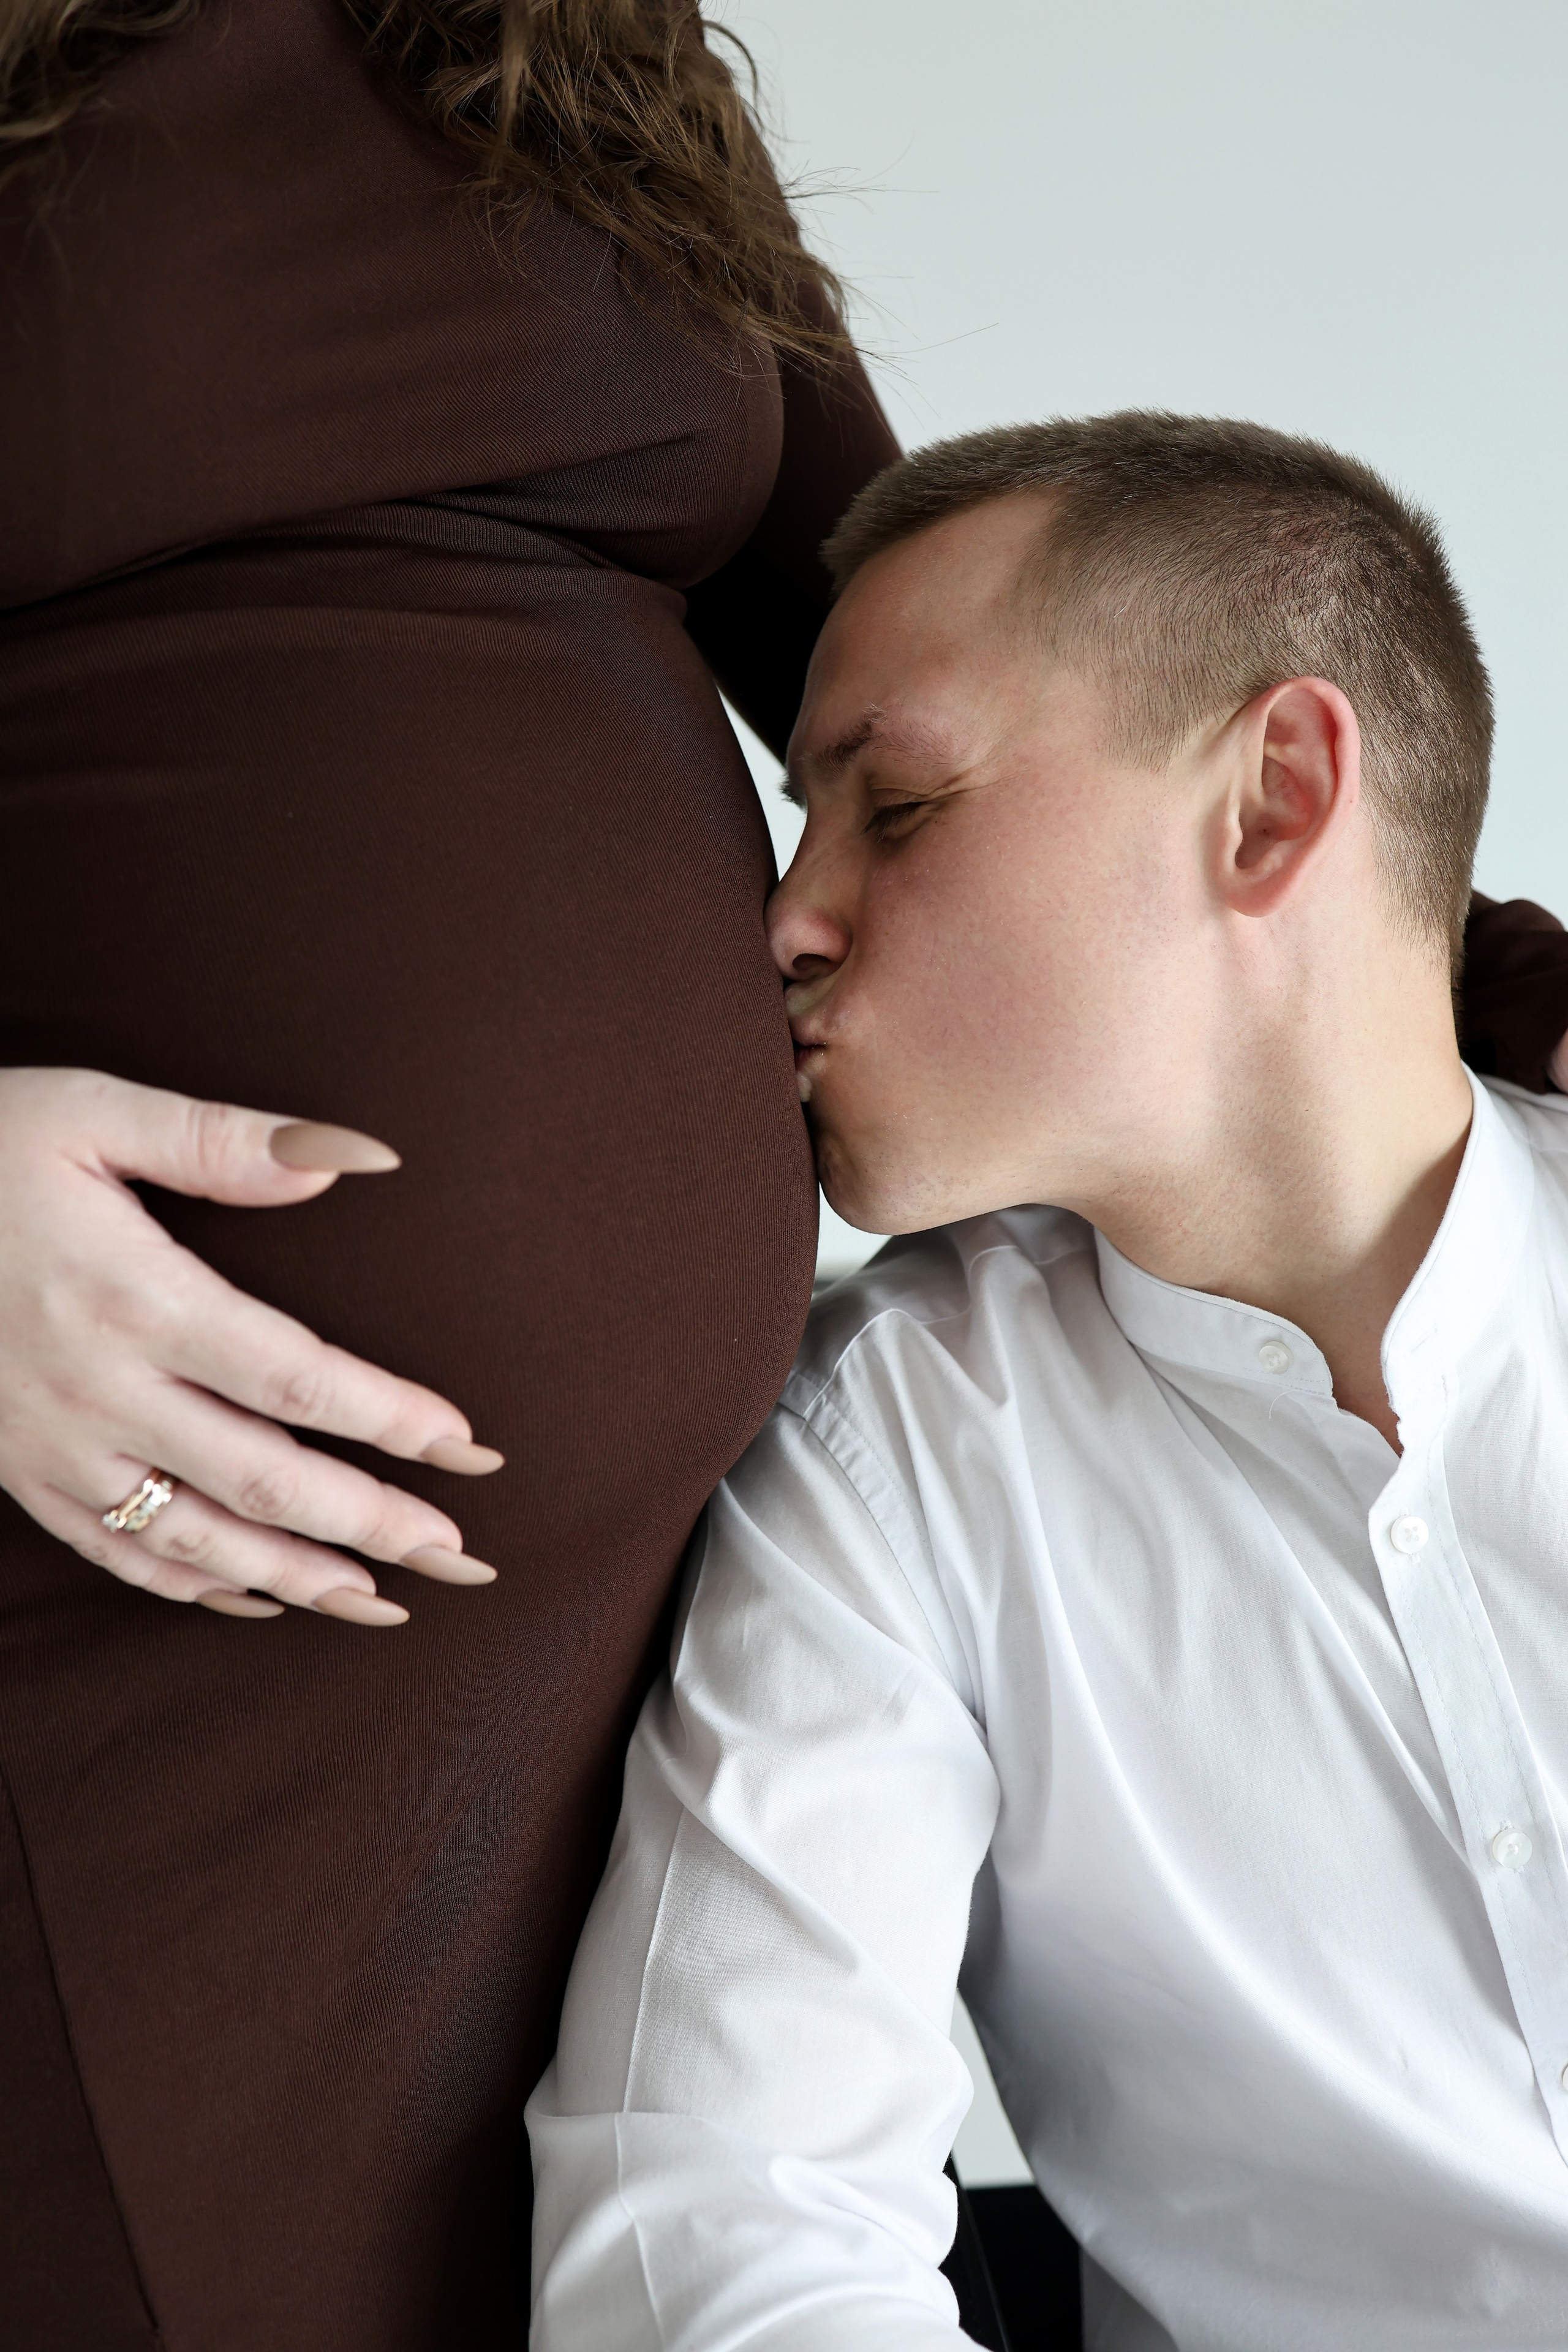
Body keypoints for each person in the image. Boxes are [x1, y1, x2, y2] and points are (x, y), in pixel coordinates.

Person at [0, 6, 902, 2347]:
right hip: (122, 1593)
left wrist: (1450, 967)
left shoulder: (571, 47)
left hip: (607, 1643)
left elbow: (951, 633)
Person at [529, 415, 1568, 2350]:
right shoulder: (884, 1464)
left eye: (896, 808)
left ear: (1270, 803)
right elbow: (730, 2244)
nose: (782, 920)